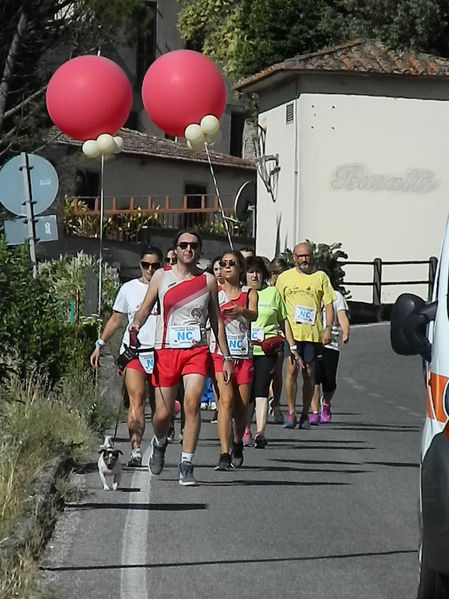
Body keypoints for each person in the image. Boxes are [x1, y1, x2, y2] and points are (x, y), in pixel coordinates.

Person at [130, 229, 233, 486]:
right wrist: (135, 325)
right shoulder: (161, 277)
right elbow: (144, 309)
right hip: (165, 350)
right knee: (163, 415)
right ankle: (160, 442)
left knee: (191, 403)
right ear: (175, 249)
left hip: (196, 352)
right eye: (184, 245)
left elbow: (216, 320)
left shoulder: (208, 281)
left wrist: (226, 355)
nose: (189, 249)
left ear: (199, 250)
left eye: (194, 245)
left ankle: (186, 464)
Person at [90, 245, 163, 467]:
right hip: (135, 352)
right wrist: (99, 344)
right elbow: (116, 319)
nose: (150, 269)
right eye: (146, 265)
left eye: (155, 265)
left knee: (160, 406)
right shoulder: (128, 289)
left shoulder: (168, 287)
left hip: (161, 351)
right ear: (140, 265)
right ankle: (136, 449)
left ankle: (161, 441)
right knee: (137, 400)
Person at [276, 242, 335, 429]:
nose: (304, 259)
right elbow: (277, 304)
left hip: (312, 333)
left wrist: (328, 328)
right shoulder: (284, 277)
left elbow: (328, 304)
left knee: (309, 373)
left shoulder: (320, 277)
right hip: (291, 333)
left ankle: (305, 413)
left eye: (307, 255)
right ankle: (291, 411)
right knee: (291, 370)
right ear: (294, 258)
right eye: (300, 256)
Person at [210, 250, 258, 470]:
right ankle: (223, 453)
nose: (227, 267)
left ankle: (238, 442)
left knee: (241, 406)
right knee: (225, 402)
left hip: (244, 355)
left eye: (232, 263)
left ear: (241, 269)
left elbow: (254, 315)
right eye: (224, 263)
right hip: (220, 355)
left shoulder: (249, 293)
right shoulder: (214, 293)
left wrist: (241, 310)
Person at [245, 256, 295, 448]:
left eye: (258, 271)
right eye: (250, 272)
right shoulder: (241, 293)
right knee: (246, 393)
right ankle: (245, 429)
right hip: (243, 350)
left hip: (266, 349)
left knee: (262, 388)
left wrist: (292, 346)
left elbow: (283, 321)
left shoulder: (273, 293)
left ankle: (260, 432)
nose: (255, 275)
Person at [309, 288, 350, 424]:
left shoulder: (336, 296)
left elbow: (342, 316)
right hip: (312, 340)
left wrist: (345, 332)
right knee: (314, 378)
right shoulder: (308, 294)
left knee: (329, 381)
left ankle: (326, 402)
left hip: (331, 343)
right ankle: (314, 412)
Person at [267, 256, 291, 423]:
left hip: (279, 336)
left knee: (276, 372)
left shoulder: (287, 289)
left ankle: (275, 403)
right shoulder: (264, 289)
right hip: (261, 336)